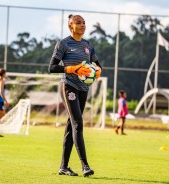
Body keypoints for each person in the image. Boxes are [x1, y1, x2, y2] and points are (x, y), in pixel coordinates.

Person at [48, 14, 102, 177]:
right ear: (70, 26)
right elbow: (51, 67)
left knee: (71, 127)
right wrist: (73, 69)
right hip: (69, 86)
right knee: (78, 123)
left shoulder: (88, 45)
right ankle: (85, 165)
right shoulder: (63, 44)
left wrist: (97, 71)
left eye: (84, 23)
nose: (82, 25)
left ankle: (63, 167)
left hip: (83, 89)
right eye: (78, 23)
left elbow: (97, 65)